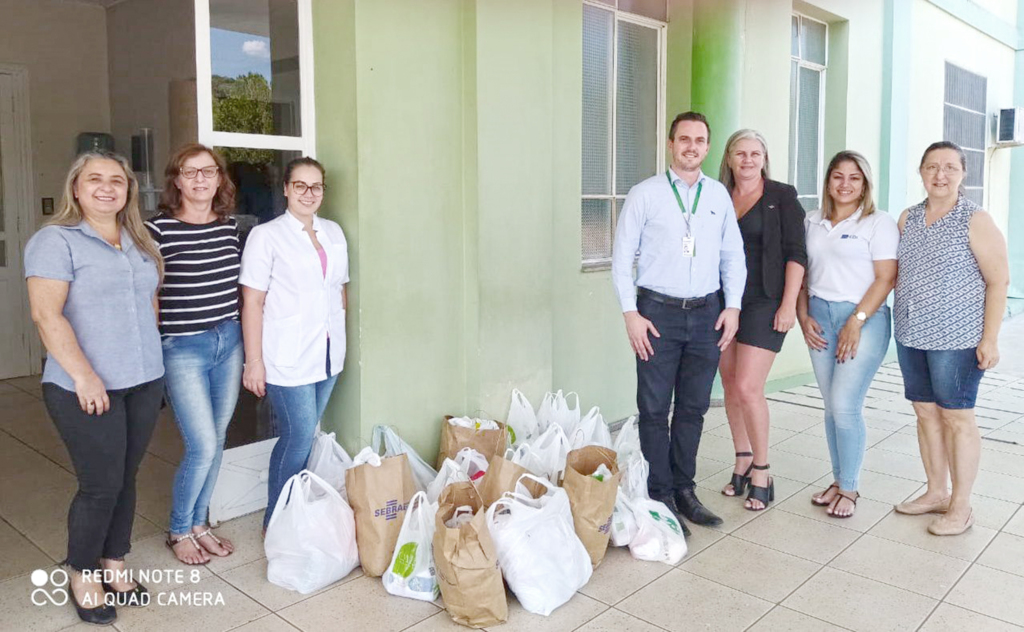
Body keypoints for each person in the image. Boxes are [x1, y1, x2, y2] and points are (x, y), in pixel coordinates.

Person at [24, 152, 164, 624]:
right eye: (95, 180)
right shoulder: (55, 241)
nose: (107, 188)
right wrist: (85, 375)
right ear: (76, 189)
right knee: (101, 485)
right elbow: (47, 315)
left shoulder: (138, 239)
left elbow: (148, 302)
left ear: (128, 190)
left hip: (142, 380)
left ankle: (114, 563)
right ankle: (82, 571)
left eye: (117, 181)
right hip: (84, 385)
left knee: (126, 477)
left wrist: (154, 364)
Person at [612, 111, 746, 531]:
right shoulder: (645, 194)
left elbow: (732, 256)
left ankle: (684, 490)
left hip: (707, 314)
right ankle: (659, 492)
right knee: (653, 410)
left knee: (693, 408)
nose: (691, 146)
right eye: (684, 138)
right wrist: (630, 313)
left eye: (699, 140)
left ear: (707, 147)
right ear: (671, 144)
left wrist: (733, 306)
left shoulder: (718, 197)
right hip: (656, 314)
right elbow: (621, 260)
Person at [893, 141, 1009, 536]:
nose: (939, 175)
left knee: (958, 417)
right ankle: (936, 492)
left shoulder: (975, 220)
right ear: (921, 172)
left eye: (949, 168)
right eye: (931, 167)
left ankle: (961, 505)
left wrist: (989, 339)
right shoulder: (908, 218)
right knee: (925, 413)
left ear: (963, 173)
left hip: (957, 338)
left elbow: (998, 281)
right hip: (911, 334)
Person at [239, 157, 349, 530]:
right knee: (298, 435)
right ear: (285, 189)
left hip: (329, 353)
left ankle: (296, 510)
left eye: (316, 186)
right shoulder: (266, 235)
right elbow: (252, 301)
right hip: (287, 355)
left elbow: (339, 289)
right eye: (299, 185)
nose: (308, 193)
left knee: (305, 435)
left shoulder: (333, 232)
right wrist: (253, 361)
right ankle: (278, 520)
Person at [145, 144, 241, 564]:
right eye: (190, 172)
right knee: (201, 443)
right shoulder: (158, 231)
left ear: (220, 179)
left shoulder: (229, 227)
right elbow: (147, 295)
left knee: (217, 440)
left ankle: (201, 522)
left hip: (229, 342)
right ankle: (180, 528)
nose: (200, 179)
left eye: (208, 171)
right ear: (177, 181)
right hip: (182, 348)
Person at [797, 151, 898, 518]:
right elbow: (803, 274)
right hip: (819, 316)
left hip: (863, 318)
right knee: (831, 406)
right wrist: (803, 315)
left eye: (854, 177)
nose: (845, 184)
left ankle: (851, 489)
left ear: (865, 184)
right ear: (827, 182)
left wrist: (856, 321)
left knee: (844, 404)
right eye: (837, 176)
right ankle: (839, 480)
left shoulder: (878, 223)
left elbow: (886, 277)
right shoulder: (812, 220)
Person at [716, 129, 806, 511]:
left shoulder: (782, 196)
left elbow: (796, 253)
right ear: (730, 158)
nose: (748, 160)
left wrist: (788, 305)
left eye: (755, 153)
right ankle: (742, 458)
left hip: (765, 301)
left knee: (750, 386)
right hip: (723, 301)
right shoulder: (717, 195)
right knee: (731, 385)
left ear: (764, 158)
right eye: (741, 153)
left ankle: (763, 470)